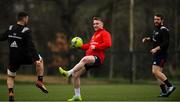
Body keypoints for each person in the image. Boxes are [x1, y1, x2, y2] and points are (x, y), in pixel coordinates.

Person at [59, 17, 112, 101]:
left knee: (84, 59)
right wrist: (79, 46)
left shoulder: (105, 33)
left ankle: (68, 72)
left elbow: (108, 44)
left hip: (98, 58)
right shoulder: (94, 35)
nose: (95, 25)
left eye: (97, 23)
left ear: (102, 24)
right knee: (76, 75)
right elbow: (89, 46)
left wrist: (97, 46)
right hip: (90, 59)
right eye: (94, 24)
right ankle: (77, 96)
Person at [0, 11, 48, 101]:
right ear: (25, 18)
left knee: (10, 76)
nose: (27, 20)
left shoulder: (10, 28)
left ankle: (11, 92)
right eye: (27, 18)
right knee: (40, 59)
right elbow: (31, 46)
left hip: (13, 58)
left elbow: (2, 37)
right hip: (25, 57)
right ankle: (40, 81)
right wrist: (36, 59)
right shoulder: (26, 30)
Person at [142, 14, 176, 97]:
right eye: (155, 19)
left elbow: (166, 43)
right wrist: (147, 39)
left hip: (161, 54)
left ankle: (170, 86)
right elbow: (154, 38)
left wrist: (156, 49)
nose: (156, 21)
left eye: (158, 19)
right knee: (157, 73)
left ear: (162, 20)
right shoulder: (156, 30)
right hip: (157, 54)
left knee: (155, 71)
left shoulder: (164, 30)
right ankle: (164, 91)